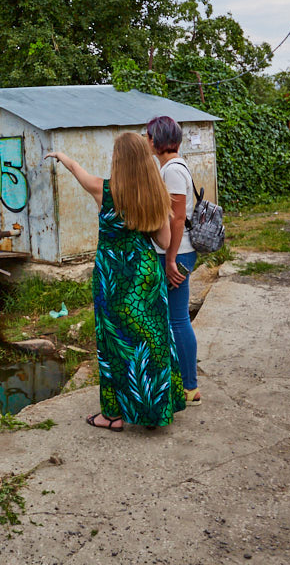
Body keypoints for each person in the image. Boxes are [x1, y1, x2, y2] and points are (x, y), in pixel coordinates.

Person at [46, 133, 185, 431]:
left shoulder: (102, 189)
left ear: (118, 159)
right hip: (145, 273)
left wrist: (62, 157)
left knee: (114, 343)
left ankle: (113, 416)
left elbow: (76, 170)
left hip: (113, 277)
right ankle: (155, 410)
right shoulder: (156, 192)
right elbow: (163, 240)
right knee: (154, 338)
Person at [145, 115, 201, 406]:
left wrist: (169, 259)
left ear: (158, 139)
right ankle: (182, 382)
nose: (147, 141)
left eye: (148, 136)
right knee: (174, 319)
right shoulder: (170, 168)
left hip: (178, 253)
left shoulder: (172, 171)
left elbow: (178, 219)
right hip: (178, 252)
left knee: (178, 320)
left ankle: (190, 387)